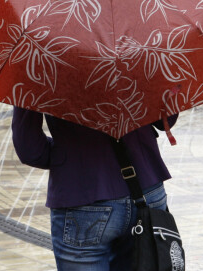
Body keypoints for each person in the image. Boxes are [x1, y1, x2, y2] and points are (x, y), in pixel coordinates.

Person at [11, 106, 177, 270]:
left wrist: (66, 158)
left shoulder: (41, 78)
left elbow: (30, 149)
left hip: (82, 193)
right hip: (146, 187)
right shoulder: (142, 76)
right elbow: (166, 120)